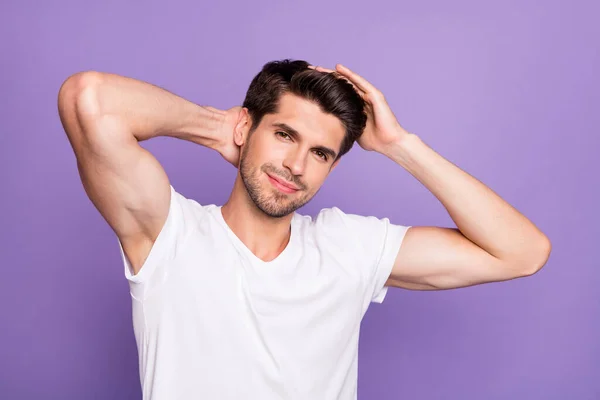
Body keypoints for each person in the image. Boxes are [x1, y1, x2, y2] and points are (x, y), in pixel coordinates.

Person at [57, 59, 551, 399]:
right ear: (248, 126)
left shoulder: (347, 248)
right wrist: (217, 127)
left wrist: (399, 145)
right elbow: (89, 99)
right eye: (284, 135)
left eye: (320, 153)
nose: (295, 164)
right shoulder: (167, 234)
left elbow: (521, 253)